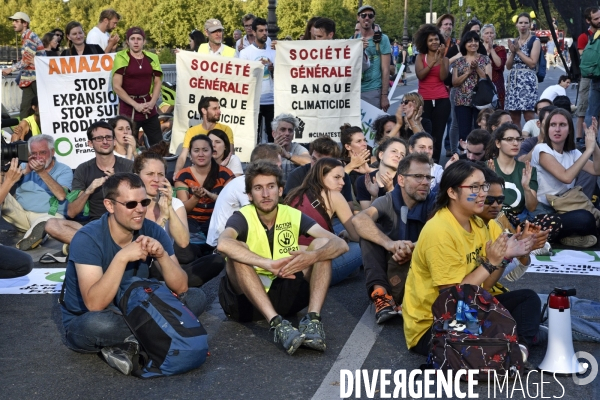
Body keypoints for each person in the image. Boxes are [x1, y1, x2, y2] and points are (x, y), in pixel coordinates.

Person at [60, 173, 207, 375]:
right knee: (97, 325)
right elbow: (94, 305)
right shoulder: (87, 238)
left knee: (197, 297)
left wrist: (162, 256)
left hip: (137, 308)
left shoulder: (152, 230)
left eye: (144, 202)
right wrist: (121, 258)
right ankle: (159, 335)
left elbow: (181, 286)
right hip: (91, 318)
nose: (140, 210)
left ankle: (133, 344)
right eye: (131, 204)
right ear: (110, 206)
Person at [403, 160, 538, 357]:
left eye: (483, 186)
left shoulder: (477, 223)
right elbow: (455, 298)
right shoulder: (439, 231)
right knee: (497, 327)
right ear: (452, 192)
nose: (483, 193)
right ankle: (516, 339)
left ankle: (521, 348)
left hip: (469, 309)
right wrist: (490, 262)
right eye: (474, 187)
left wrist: (506, 256)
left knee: (528, 299)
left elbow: (485, 287)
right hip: (435, 325)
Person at [216, 161, 348, 354]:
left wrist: (312, 257)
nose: (266, 194)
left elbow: (340, 244)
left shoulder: (293, 214)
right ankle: (277, 325)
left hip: (287, 292)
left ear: (280, 190)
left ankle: (313, 321)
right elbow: (223, 243)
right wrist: (267, 263)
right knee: (237, 251)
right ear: (250, 195)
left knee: (321, 244)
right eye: (259, 188)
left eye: (271, 187)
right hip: (246, 302)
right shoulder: (242, 216)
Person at [353, 152, 436, 323]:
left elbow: (440, 235)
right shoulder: (388, 200)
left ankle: (411, 301)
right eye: (418, 176)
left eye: (428, 177)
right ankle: (381, 296)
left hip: (421, 266)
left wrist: (411, 248)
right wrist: (390, 244)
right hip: (393, 264)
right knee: (369, 231)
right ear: (401, 180)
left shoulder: (434, 202)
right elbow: (359, 219)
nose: (425, 182)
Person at [133, 151, 225, 287]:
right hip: (142, 263)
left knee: (216, 260)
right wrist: (163, 217)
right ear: (137, 177)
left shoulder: (176, 203)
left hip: (168, 261)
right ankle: (177, 283)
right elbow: (143, 247)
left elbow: (183, 242)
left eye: (161, 175)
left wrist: (169, 207)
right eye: (150, 174)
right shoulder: (132, 205)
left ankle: (176, 282)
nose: (156, 180)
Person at [45, 121, 134, 251]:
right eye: (99, 138)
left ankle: (87, 245)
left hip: (124, 223)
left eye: (108, 137)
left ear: (114, 141)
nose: (105, 141)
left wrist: (117, 182)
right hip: (96, 227)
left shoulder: (128, 166)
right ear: (90, 143)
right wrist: (89, 190)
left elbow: (138, 202)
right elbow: (72, 212)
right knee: (51, 225)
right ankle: (100, 246)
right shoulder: (83, 169)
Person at [286, 158, 362, 286]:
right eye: (337, 177)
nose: (342, 182)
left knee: (337, 230)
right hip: (313, 270)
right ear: (321, 176)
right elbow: (356, 236)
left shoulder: (295, 193)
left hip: (289, 263)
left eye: (343, 178)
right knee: (367, 244)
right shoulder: (333, 195)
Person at [531, 108, 600, 247]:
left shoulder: (573, 153)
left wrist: (594, 144)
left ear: (569, 130)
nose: (557, 129)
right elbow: (566, 177)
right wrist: (588, 150)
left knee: (591, 219)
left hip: (567, 206)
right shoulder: (542, 149)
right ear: (547, 129)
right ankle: (563, 236)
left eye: (562, 125)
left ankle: (565, 237)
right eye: (553, 125)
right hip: (543, 212)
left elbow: (596, 169)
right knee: (585, 219)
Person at [0, 135, 73, 250]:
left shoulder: (64, 170)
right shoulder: (24, 165)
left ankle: (28, 240)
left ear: (52, 152)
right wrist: (26, 171)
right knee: (2, 191)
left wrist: (42, 172)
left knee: (48, 223)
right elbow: (6, 182)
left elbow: (61, 195)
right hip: (21, 214)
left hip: (48, 215)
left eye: (43, 153)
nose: (38, 157)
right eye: (34, 153)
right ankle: (37, 233)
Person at [207, 144, 282, 248]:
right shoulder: (244, 184)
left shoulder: (248, 182)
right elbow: (256, 219)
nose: (281, 171)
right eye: (278, 167)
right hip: (220, 245)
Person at [174, 135, 234, 242]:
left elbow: (231, 204)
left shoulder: (226, 174)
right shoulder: (183, 175)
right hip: (190, 222)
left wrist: (210, 195)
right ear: (190, 154)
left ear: (212, 152)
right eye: (196, 150)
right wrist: (195, 198)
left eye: (205, 150)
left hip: (217, 221)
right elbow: (182, 209)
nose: (201, 154)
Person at [111, 27, 163, 146]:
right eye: (132, 39)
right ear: (127, 42)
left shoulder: (152, 58)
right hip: (129, 108)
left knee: (159, 145)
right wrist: (136, 105)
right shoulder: (121, 57)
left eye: (139, 39)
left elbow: (157, 82)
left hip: (148, 106)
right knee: (129, 146)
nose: (136, 42)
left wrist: (152, 102)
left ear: (144, 41)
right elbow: (117, 86)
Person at [284, 137, 354, 212]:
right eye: (314, 159)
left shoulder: (342, 177)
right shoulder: (296, 175)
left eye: (321, 162)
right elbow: (290, 209)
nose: (316, 165)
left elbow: (349, 208)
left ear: (334, 162)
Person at [414, 24, 450, 162]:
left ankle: (435, 163)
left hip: (442, 99)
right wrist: (431, 63)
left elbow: (442, 77)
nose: (434, 42)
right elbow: (420, 75)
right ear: (425, 42)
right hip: (424, 100)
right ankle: (424, 161)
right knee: (425, 134)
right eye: (430, 40)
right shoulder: (420, 58)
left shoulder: (445, 59)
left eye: (436, 39)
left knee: (438, 134)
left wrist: (440, 59)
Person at [175, 96, 234, 178]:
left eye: (219, 108)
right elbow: (183, 156)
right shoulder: (192, 131)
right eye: (214, 109)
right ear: (204, 111)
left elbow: (231, 154)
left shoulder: (226, 129)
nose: (219, 111)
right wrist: (177, 172)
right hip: (198, 171)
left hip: (220, 172)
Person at [2, 12, 45, 120]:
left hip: (36, 78)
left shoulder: (29, 37)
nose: (13, 24)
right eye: (13, 21)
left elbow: (26, 60)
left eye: (16, 21)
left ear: (25, 23)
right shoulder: (27, 36)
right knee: (25, 110)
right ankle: (25, 134)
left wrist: (11, 69)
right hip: (30, 78)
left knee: (39, 108)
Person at [239, 18, 275, 143]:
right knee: (254, 135)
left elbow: (281, 77)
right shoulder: (245, 53)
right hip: (254, 100)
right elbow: (242, 78)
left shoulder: (273, 52)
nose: (265, 33)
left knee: (273, 135)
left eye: (266, 30)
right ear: (254, 32)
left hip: (272, 99)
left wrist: (272, 69)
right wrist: (256, 68)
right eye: (261, 30)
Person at [452, 30, 492, 144]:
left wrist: (477, 68)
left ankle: (480, 156)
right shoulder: (459, 61)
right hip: (462, 100)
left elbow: (489, 79)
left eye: (476, 41)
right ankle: (463, 156)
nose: (473, 43)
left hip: (481, 101)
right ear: (464, 43)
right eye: (470, 41)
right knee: (463, 133)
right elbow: (454, 82)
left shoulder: (485, 59)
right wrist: (468, 72)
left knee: (481, 131)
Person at [505, 13, 541, 125]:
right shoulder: (515, 41)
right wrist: (512, 52)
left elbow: (532, 63)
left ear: (530, 24)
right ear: (516, 25)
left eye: (526, 23)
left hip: (527, 81)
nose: (523, 25)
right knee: (514, 117)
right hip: (514, 81)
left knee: (529, 116)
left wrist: (519, 52)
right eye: (521, 23)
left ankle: (532, 141)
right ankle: (517, 141)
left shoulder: (534, 41)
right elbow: (508, 66)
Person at [356, 5, 391, 111]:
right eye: (363, 15)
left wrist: (384, 95)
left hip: (373, 91)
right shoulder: (353, 40)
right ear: (358, 18)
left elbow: (386, 69)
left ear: (373, 18)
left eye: (370, 15)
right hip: (356, 92)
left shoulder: (382, 39)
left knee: (373, 126)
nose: (367, 18)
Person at [356, 138, 406, 210]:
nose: (398, 156)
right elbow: (367, 216)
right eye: (394, 151)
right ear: (381, 155)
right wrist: (374, 197)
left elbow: (401, 215)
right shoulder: (364, 180)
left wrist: (390, 190)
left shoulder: (404, 181)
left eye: (402, 155)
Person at [574, 7, 600, 144]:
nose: (599, 20)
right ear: (588, 20)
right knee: (584, 110)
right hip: (590, 78)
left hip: (594, 79)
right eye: (596, 19)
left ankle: (588, 141)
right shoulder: (585, 36)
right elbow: (584, 57)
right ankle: (583, 139)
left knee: (591, 111)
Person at [271, 114, 310, 180]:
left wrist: (288, 155)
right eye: (283, 130)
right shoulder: (265, 149)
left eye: (290, 130)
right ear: (274, 133)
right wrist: (274, 151)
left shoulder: (297, 148)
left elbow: (309, 161)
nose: (287, 133)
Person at [481, 24, 507, 109]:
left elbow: (499, 65)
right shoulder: (478, 49)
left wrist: (491, 49)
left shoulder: (500, 49)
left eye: (491, 33)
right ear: (482, 36)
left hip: (497, 85)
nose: (489, 35)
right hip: (481, 84)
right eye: (487, 33)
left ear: (495, 35)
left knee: (497, 112)